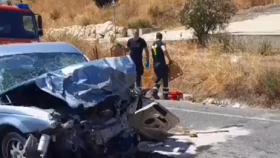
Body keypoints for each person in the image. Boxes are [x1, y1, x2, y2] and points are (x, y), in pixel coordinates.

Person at [151, 32, 172, 100]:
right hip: (161, 64)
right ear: (161, 37)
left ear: (156, 37)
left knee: (160, 78)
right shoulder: (160, 43)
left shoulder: (153, 45)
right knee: (165, 78)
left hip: (155, 64)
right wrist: (169, 58)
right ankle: (165, 95)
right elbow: (164, 50)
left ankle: (155, 91)